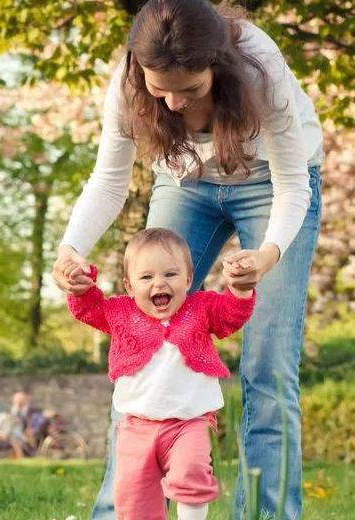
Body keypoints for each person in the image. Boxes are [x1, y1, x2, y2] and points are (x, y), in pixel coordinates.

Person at [52, 1, 323, 518]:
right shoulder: (130, 83)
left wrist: (267, 254)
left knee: (269, 367)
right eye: (161, 89)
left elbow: (293, 184)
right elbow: (109, 180)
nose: (173, 103)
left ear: (218, 66)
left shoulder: (261, 69)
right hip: (186, 184)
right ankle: (121, 513)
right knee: (143, 343)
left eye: (190, 89)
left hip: (274, 186)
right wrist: (71, 249)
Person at [67, 228, 255, 520]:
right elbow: (89, 309)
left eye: (170, 275)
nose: (159, 284)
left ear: (189, 279)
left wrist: (240, 290)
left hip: (190, 422)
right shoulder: (121, 313)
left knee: (191, 471)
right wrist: (80, 288)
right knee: (134, 499)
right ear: (129, 286)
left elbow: (230, 315)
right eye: (147, 277)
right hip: (136, 427)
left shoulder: (200, 308)